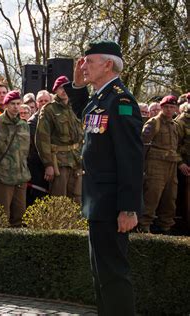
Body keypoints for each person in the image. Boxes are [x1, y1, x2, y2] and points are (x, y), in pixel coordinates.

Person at [65, 40, 143, 316]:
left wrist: (129, 207)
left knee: (113, 275)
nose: (84, 66)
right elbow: (86, 115)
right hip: (98, 202)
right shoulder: (101, 97)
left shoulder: (121, 101)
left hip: (112, 204)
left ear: (108, 64)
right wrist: (76, 87)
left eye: (90, 61)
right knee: (101, 276)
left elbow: (131, 158)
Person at [139, 95, 187, 233]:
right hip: (155, 165)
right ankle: (144, 227)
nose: (169, 110)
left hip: (171, 165)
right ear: (161, 107)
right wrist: (142, 166)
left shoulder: (175, 125)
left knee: (170, 198)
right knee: (152, 196)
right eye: (166, 107)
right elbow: (144, 145)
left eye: (172, 107)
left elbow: (177, 147)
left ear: (176, 108)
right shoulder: (154, 123)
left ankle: (166, 227)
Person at [0, 91, 30, 227]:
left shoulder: (24, 125)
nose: (16, 107)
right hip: (3, 175)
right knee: (2, 216)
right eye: (12, 104)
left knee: (20, 216)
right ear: (6, 105)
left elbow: (26, 151)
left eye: (18, 104)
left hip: (21, 176)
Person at [35, 76, 83, 203]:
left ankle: (74, 224)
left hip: (76, 160)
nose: (64, 90)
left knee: (76, 199)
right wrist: (48, 164)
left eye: (67, 87)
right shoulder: (49, 109)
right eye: (61, 87)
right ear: (55, 90)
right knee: (59, 201)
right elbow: (42, 139)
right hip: (59, 162)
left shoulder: (75, 107)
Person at [26, 90, 52, 205]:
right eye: (41, 101)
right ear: (37, 104)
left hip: (53, 166)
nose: (43, 103)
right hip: (38, 169)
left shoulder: (54, 119)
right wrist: (48, 164)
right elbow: (36, 148)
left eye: (46, 101)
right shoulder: (32, 122)